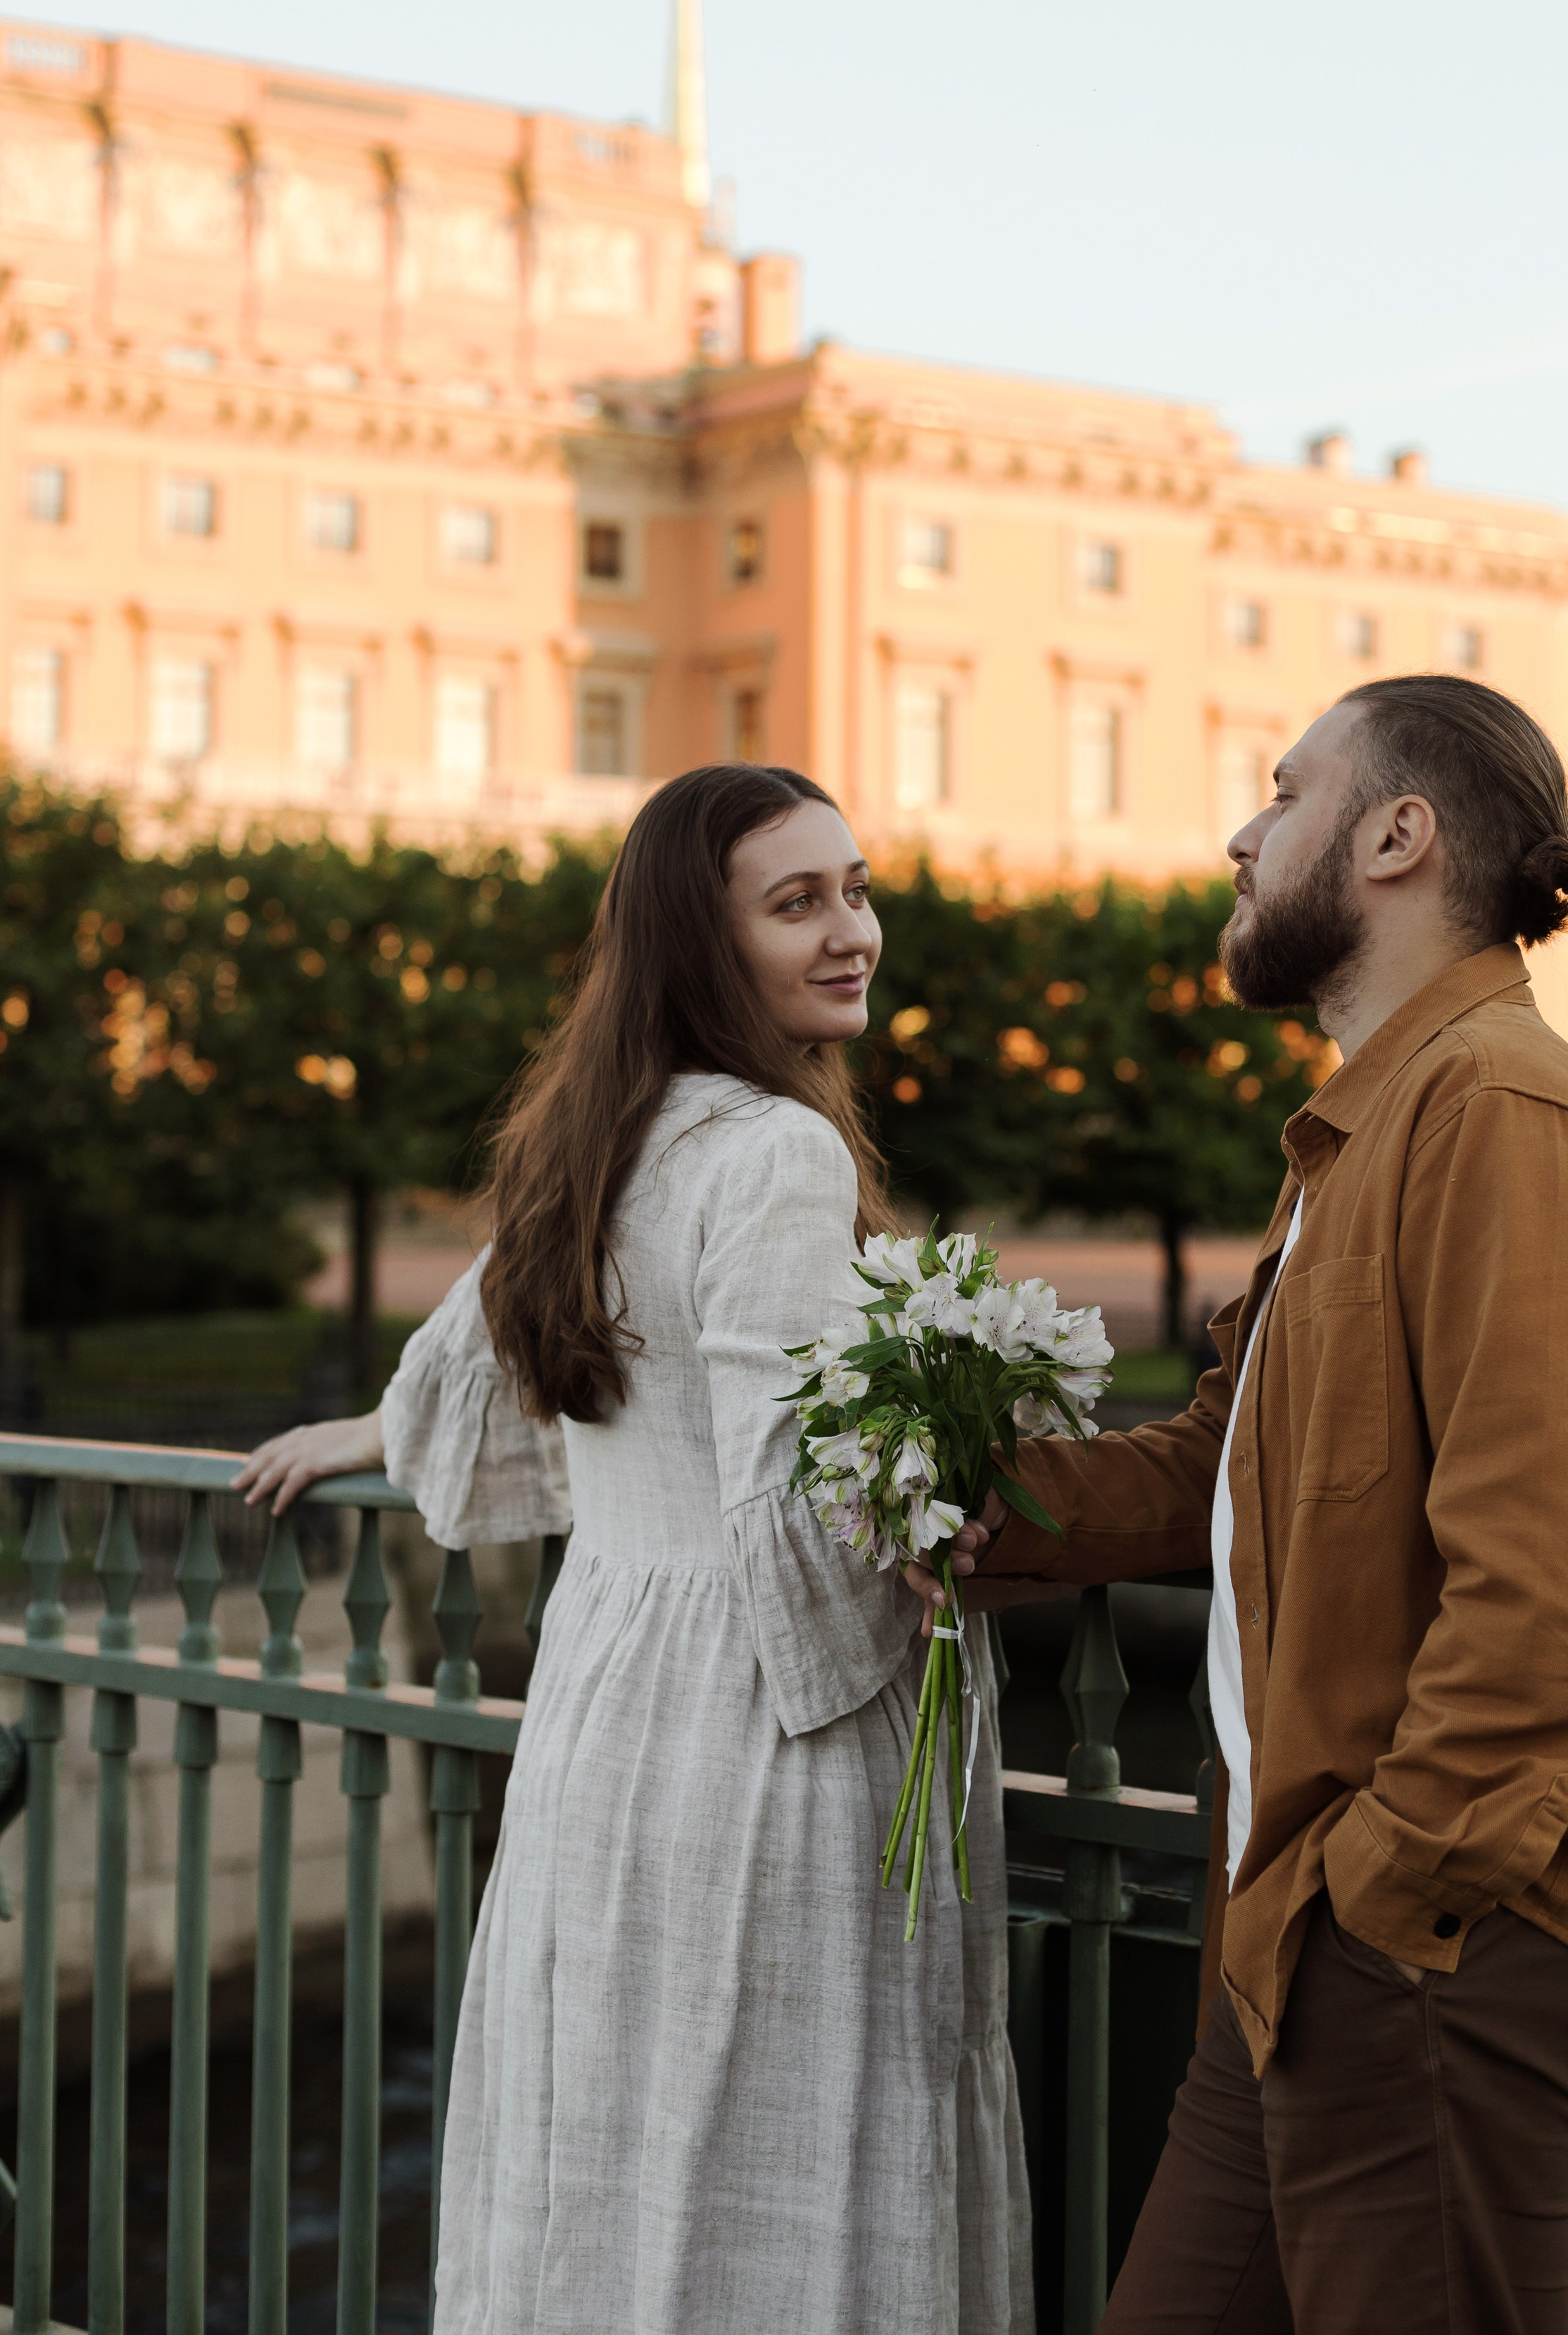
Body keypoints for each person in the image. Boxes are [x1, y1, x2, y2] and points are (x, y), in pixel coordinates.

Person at [909, 673, 1568, 2335]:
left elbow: (1548, 1612)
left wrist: (1378, 1904)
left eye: (1280, 794)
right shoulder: (1362, 1134)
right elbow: (1219, 1469)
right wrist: (954, 1504)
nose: (1239, 829)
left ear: (1392, 836)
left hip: (1431, 1945)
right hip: (1307, 1936)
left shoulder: (1506, 1124)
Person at [239, 763, 1032, 2335]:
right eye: (795, 903)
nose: (850, 932)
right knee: (794, 2150)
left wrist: (366, 1439)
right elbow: (794, 1510)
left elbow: (467, 1373)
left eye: (856, 891)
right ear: (698, 941)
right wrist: (937, 1549)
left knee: (610, 2143)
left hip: (603, 1701)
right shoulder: (777, 1156)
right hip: (762, 1728)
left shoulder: (597, 1132)